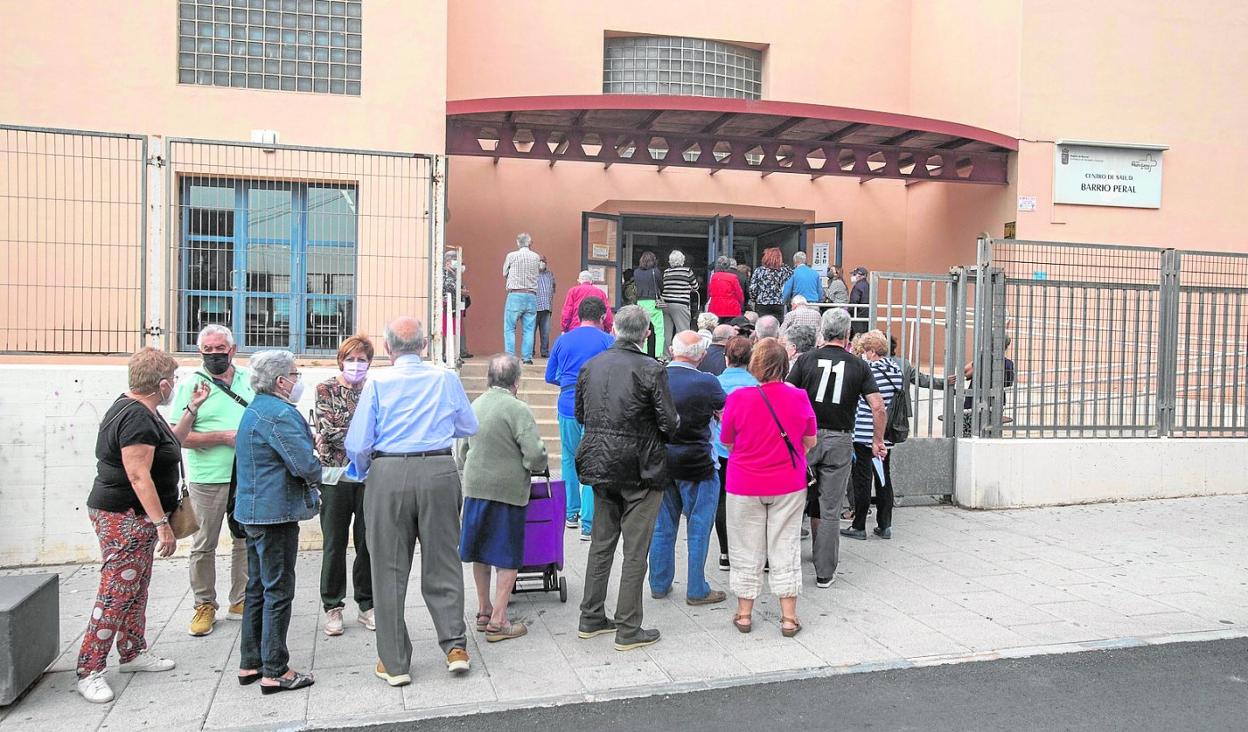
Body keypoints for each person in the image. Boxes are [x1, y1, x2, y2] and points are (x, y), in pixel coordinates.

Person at [345, 317, 479, 686]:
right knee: (444, 560)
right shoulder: (444, 378)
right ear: (425, 345)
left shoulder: (377, 384)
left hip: (388, 472)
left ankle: (395, 661)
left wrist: (362, 471)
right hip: (438, 468)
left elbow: (358, 445)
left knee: (387, 568)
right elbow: (469, 426)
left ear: (388, 349)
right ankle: (455, 647)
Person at [76, 348, 210, 703]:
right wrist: (162, 524)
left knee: (136, 587)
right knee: (116, 592)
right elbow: (138, 475)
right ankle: (89, 669)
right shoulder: (136, 418)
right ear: (162, 384)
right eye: (174, 380)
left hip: (133, 516)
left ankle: (133, 652)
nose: (175, 386)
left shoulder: (141, 409)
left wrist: (192, 409)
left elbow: (172, 443)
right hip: (126, 515)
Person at [574, 305, 678, 651]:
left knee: (602, 545)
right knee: (635, 550)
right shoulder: (651, 369)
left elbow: (580, 413)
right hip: (641, 468)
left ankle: (591, 615)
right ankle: (628, 627)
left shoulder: (591, 366)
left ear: (614, 329)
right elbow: (669, 421)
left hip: (601, 464)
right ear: (646, 334)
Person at [233, 350, 321, 694]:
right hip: (275, 513)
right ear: (281, 381)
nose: (298, 380)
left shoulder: (256, 407)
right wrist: (318, 466)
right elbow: (303, 465)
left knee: (257, 588)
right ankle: (276, 670)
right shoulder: (279, 414)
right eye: (296, 374)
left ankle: (250, 662)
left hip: (254, 511)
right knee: (278, 590)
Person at [720, 338, 817, 637]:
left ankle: (745, 614)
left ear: (755, 365)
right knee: (785, 544)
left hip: (744, 482)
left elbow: (726, 440)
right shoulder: (799, 396)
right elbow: (809, 440)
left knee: (745, 546)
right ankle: (789, 618)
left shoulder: (738, 398)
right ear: (784, 366)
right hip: (788, 482)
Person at [786, 308, 885, 587]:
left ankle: (784, 563)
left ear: (823, 332)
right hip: (840, 439)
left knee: (792, 502)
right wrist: (877, 440)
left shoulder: (806, 360)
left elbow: (788, 396)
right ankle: (824, 572)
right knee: (830, 508)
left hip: (805, 437)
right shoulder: (859, 365)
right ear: (847, 334)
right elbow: (877, 406)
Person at [457, 354, 548, 642]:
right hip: (507, 491)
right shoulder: (517, 409)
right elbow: (534, 455)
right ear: (516, 382)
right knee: (506, 553)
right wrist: (535, 467)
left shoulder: (476, 404)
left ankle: (483, 610)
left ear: (489, 379)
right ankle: (499, 619)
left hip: (474, 488)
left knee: (479, 549)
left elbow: (462, 453)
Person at [171, 324, 253, 638]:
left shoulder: (248, 379)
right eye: (209, 352)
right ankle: (204, 604)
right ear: (200, 353)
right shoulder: (192, 385)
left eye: (221, 350)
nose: (216, 356)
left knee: (244, 537)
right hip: (209, 477)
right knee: (204, 543)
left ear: (232, 350)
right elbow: (179, 436)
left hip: (245, 472)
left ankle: (241, 599)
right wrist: (221, 437)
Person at [649, 332, 727, 605]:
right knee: (699, 525)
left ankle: (659, 583)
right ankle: (696, 588)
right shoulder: (707, 382)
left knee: (662, 525)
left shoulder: (655, 377)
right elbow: (723, 412)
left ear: (672, 350)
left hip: (661, 461)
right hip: (698, 462)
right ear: (702, 356)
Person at [313, 334, 375, 638]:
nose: (356, 365)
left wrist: (365, 439)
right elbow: (329, 431)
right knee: (334, 543)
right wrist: (366, 438)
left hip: (367, 476)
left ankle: (367, 603)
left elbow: (384, 427)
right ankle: (333, 606)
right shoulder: (325, 388)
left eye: (362, 359)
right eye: (350, 359)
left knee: (367, 541)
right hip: (335, 477)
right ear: (341, 360)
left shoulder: (375, 389)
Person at [545, 296, 614, 542]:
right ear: (603, 317)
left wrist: (567, 383)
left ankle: (570, 513)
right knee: (593, 460)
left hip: (567, 402)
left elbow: (549, 375)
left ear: (578, 315)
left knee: (569, 457)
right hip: (597, 404)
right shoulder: (608, 340)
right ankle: (589, 523)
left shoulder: (563, 340)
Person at [841, 330, 903, 541]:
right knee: (884, 478)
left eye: (867, 351)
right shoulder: (896, 369)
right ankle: (885, 525)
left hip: (864, 431)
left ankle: (859, 525)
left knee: (862, 480)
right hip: (884, 432)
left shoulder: (867, 369)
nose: (865, 355)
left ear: (873, 351)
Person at [712, 336, 758, 572]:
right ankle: (755, 552)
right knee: (752, 502)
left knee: (722, 500)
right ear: (750, 359)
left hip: (722, 449)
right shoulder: (758, 386)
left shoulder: (715, 384)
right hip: (752, 451)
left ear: (726, 358)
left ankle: (725, 553)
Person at [502, 232, 542, 364]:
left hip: (515, 294)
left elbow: (504, 273)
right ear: (530, 243)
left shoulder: (511, 256)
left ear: (518, 243)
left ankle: (510, 358)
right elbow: (540, 270)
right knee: (529, 329)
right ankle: (527, 358)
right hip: (531, 295)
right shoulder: (536, 257)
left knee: (510, 328)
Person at [661, 250, 698, 357]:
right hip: (680, 304)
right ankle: (682, 356)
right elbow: (695, 287)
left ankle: (665, 357)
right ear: (682, 260)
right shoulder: (687, 271)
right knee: (682, 331)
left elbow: (666, 285)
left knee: (666, 333)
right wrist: (689, 287)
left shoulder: (667, 272)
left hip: (666, 304)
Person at [632, 250, 665, 358]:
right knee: (659, 330)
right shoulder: (655, 271)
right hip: (653, 302)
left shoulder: (636, 272)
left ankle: (643, 353)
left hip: (640, 302)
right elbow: (661, 286)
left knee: (643, 330)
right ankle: (659, 355)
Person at [442, 250, 472, 359]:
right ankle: (448, 355)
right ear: (448, 262)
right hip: (447, 307)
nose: (460, 265)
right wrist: (461, 291)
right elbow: (449, 290)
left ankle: (455, 355)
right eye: (457, 261)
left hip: (455, 307)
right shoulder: (444, 274)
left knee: (454, 331)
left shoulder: (454, 274)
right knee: (448, 331)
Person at [707, 256, 745, 320]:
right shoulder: (733, 277)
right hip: (731, 309)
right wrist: (740, 305)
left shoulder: (714, 276)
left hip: (716, 308)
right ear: (728, 266)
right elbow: (739, 295)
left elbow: (710, 292)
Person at [534, 255, 556, 358]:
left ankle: (544, 352)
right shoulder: (532, 274)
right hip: (534, 307)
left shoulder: (550, 274)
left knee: (545, 333)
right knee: (531, 332)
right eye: (539, 261)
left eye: (543, 261)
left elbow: (553, 288)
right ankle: (530, 353)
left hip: (546, 308)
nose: (542, 263)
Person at [849, 266, 871, 336]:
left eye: (855, 274)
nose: (853, 276)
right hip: (866, 315)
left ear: (862, 276)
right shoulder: (868, 285)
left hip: (858, 316)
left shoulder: (858, 286)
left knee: (857, 337)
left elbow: (854, 301)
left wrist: (848, 311)